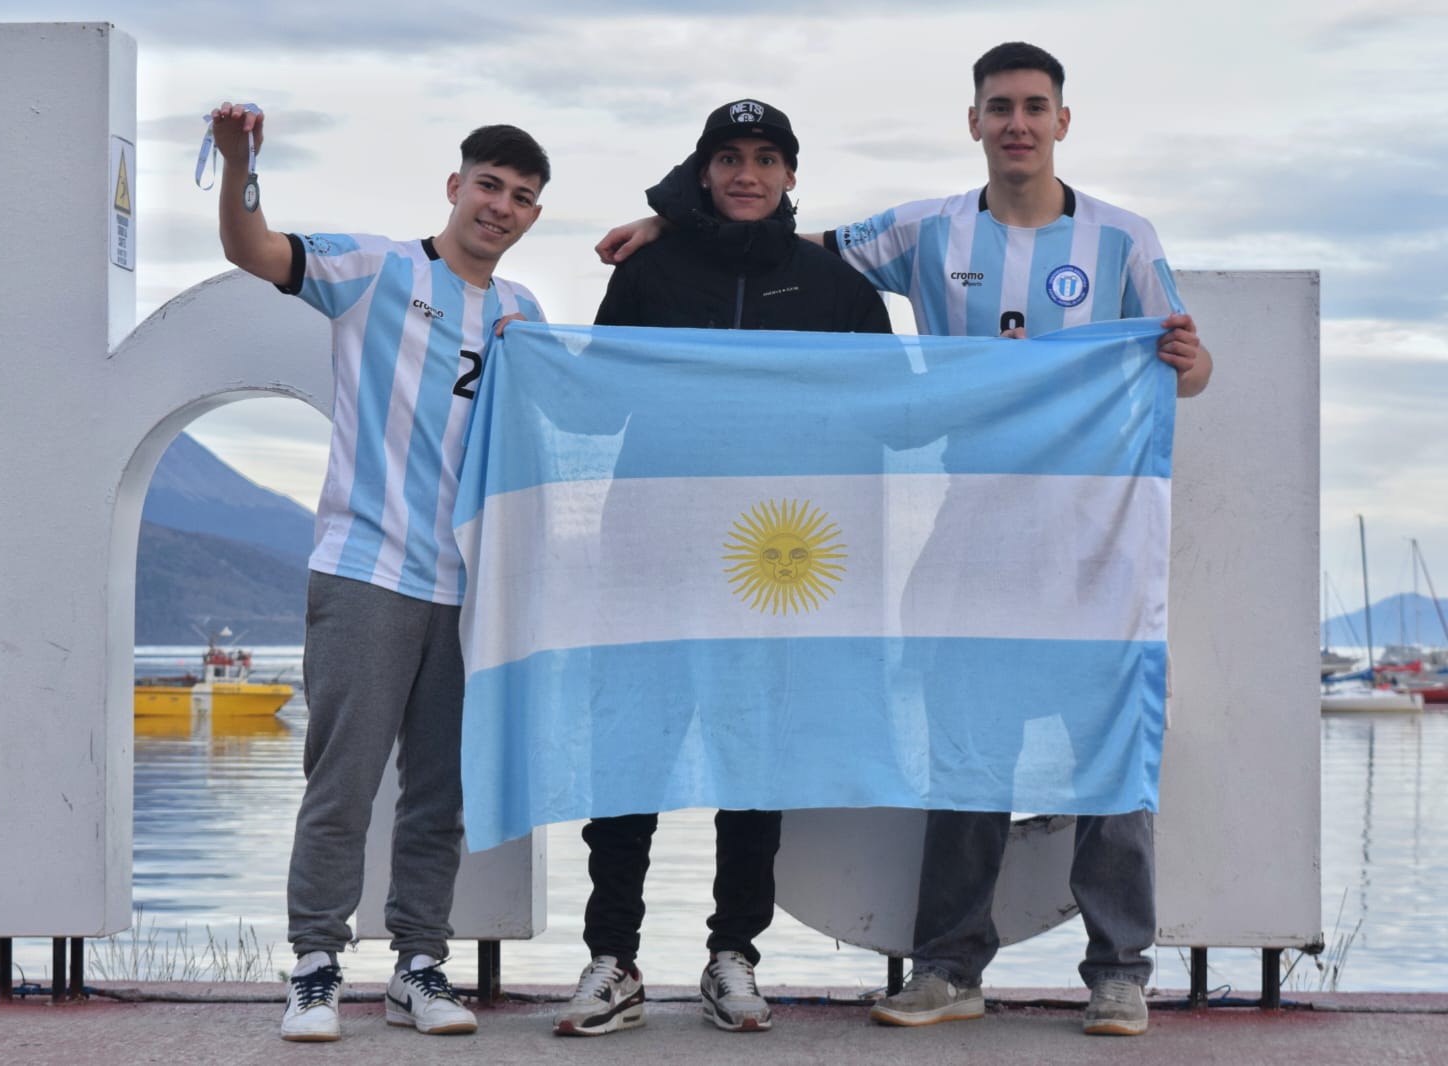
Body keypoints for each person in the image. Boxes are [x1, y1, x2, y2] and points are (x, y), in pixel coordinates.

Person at [597, 43, 1212, 1038]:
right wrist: (670, 221)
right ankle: (949, 967)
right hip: (970, 533)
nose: (1017, 123)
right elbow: (777, 232)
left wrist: (1190, 357)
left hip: (1091, 541)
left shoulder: (1124, 238)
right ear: (974, 122)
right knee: (966, 752)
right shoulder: (924, 231)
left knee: (1106, 747)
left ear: (1062, 120)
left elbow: (1186, 366)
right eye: (999, 107)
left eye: (1034, 107)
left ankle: (1117, 970)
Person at [208, 102, 549, 1042]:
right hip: (366, 570)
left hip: (470, 591)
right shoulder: (374, 269)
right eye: (489, 185)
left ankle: (418, 967)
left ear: (532, 215)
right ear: (455, 186)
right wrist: (239, 163)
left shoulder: (523, 313)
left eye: (522, 197)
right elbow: (251, 249)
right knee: (344, 784)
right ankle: (315, 967)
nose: (501, 206)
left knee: (440, 794)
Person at [552, 99, 892, 1039]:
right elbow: (593, 409)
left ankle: (733, 955)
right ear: (703, 172)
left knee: (754, 765)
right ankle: (611, 959)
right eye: (730, 158)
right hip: (649, 555)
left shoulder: (836, 289)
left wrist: (1006, 372)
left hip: (774, 566)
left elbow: (891, 417)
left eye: (766, 159)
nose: (748, 174)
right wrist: (533, 362)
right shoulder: (648, 272)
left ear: (791, 177)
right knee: (629, 758)